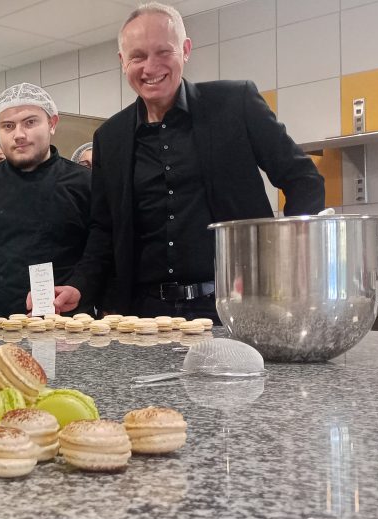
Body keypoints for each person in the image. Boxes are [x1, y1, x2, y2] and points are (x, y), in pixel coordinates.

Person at [57, 2, 325, 321]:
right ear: (122, 61)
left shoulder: (235, 104)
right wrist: (79, 284)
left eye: (163, 52)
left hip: (235, 306)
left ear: (185, 50)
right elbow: (104, 228)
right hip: (145, 315)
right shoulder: (109, 137)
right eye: (138, 56)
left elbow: (303, 179)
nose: (150, 67)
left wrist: (287, 257)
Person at [0, 83, 92, 318]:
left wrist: (79, 286)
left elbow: (99, 252)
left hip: (62, 327)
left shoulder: (84, 182)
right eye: (8, 126)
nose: (19, 134)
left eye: (30, 122)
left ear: (52, 124)